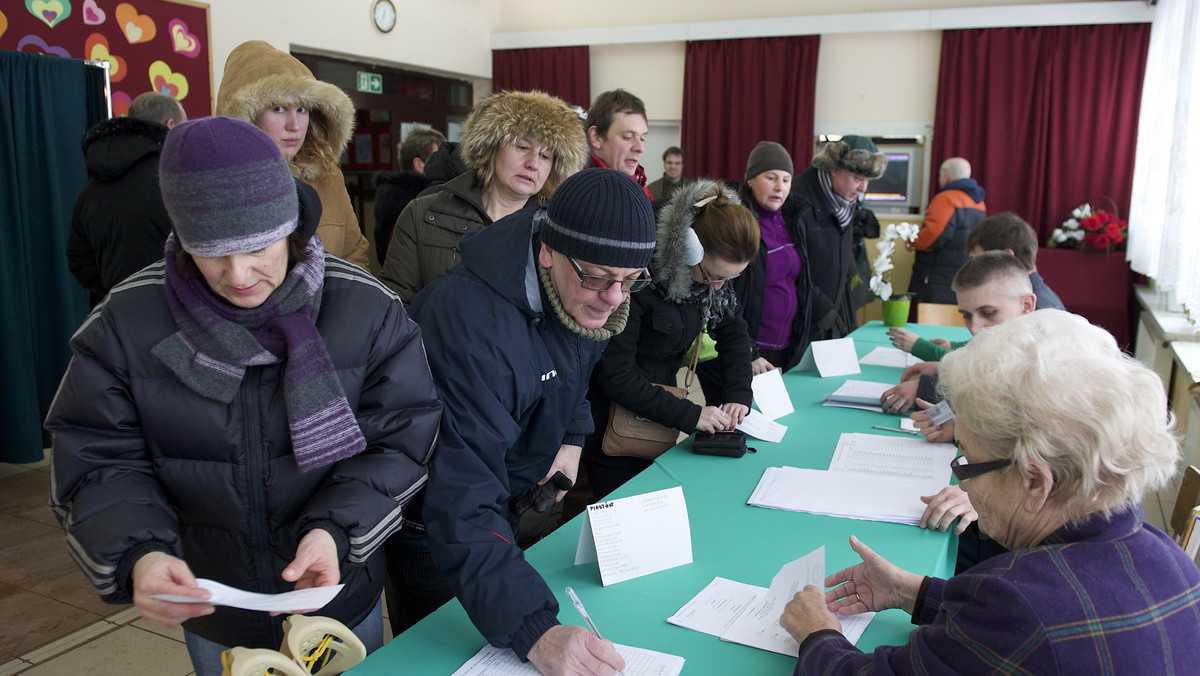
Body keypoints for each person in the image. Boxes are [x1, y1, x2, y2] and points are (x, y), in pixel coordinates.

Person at [44, 117, 442, 676]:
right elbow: (96, 458)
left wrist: (337, 530)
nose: (238, 275)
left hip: (335, 594)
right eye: (210, 253)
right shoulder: (127, 321)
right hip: (217, 606)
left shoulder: (366, 310)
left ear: (291, 226)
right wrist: (141, 553)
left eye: (257, 246)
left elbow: (402, 439)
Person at [782, 309, 1200, 674]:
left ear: (1034, 482)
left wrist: (817, 634)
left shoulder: (1017, 604)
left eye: (967, 461)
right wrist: (910, 590)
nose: (962, 481)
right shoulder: (1170, 560)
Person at [400, 169, 656, 675]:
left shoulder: (575, 291)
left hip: (499, 514)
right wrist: (532, 628)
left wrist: (572, 433)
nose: (615, 297)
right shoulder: (472, 324)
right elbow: (461, 498)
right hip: (435, 531)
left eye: (631, 280)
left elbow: (573, 365)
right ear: (547, 252)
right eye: (601, 277)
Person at [582, 179, 758, 499]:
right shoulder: (637, 279)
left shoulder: (708, 276)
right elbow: (614, 374)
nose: (717, 287)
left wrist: (738, 394)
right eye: (712, 276)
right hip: (608, 429)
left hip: (656, 420)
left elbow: (733, 330)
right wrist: (691, 414)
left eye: (729, 280)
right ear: (686, 248)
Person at [379, 90, 588, 305]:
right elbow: (394, 306)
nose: (533, 163)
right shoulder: (423, 214)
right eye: (523, 147)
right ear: (491, 148)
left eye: (545, 156)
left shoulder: (557, 229)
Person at [216, 40, 370, 268]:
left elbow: (355, 255)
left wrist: (338, 303)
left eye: (302, 109)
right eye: (279, 109)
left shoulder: (328, 176)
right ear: (246, 115)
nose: (295, 125)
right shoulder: (217, 184)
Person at [891, 211, 1064, 363]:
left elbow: (987, 363)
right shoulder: (1038, 295)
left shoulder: (1040, 311)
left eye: (978, 261)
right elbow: (993, 345)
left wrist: (920, 348)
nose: (974, 328)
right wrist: (954, 346)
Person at [67, 92, 186, 307]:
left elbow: (79, 262)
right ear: (171, 125)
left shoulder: (89, 191)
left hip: (114, 318)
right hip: (174, 314)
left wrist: (117, 290)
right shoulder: (175, 181)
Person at [728, 141, 814, 374]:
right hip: (751, 350)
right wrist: (749, 350)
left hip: (787, 347)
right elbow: (726, 294)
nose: (780, 187)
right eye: (771, 178)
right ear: (750, 179)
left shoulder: (793, 220)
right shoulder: (738, 221)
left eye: (786, 180)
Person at [795, 135, 887, 341]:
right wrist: (820, 307)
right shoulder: (798, 200)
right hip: (797, 320)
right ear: (834, 168)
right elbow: (789, 268)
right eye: (857, 179)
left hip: (830, 312)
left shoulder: (844, 201)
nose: (864, 189)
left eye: (868, 181)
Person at [908, 157, 987, 305]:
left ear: (946, 175)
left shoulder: (945, 199)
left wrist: (911, 240)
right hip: (964, 275)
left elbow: (931, 238)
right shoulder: (979, 202)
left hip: (939, 277)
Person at [372, 127, 446, 265]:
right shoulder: (418, 202)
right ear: (419, 164)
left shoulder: (389, 195)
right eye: (438, 158)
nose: (446, 165)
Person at [585, 89, 653, 200]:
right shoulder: (582, 193)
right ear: (596, 137)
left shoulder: (641, 188)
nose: (640, 148)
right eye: (628, 137)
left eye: (642, 138)